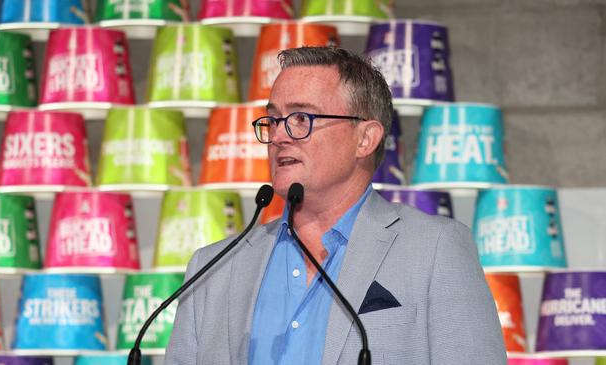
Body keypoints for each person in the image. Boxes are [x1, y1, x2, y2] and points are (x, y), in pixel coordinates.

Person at [165, 46, 506, 364]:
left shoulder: (435, 249)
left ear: (365, 139)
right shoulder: (213, 268)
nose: (280, 136)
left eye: (301, 119)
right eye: (273, 120)